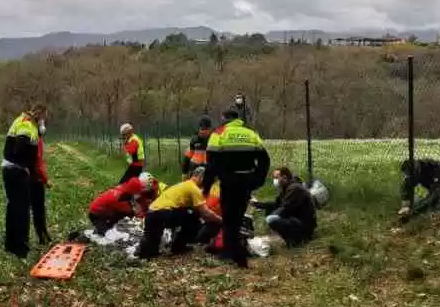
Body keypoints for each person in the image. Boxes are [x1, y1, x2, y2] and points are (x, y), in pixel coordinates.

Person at [204, 107, 270, 268]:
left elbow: (211, 163)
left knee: (228, 218)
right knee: (239, 217)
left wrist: (207, 186)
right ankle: (236, 253)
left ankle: (231, 253)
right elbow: (264, 160)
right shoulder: (251, 134)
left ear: (224, 118)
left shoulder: (219, 133)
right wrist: (257, 180)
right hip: (246, 181)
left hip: (228, 182)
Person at [136, 167, 222, 259]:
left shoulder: (181, 185)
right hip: (164, 213)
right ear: (201, 177)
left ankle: (143, 254)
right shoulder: (194, 189)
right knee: (193, 216)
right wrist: (220, 220)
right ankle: (179, 246)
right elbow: (205, 213)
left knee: (150, 242)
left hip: (151, 213)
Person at [2, 104, 46, 258]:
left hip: (9, 168)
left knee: (12, 207)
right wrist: (25, 166)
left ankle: (10, 244)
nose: (43, 122)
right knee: (21, 210)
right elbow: (20, 147)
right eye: (43, 117)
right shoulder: (27, 125)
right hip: (16, 170)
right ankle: (21, 247)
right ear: (39, 114)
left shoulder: (21, 119)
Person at [253, 167, 317, 246]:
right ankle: (293, 238)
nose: (275, 180)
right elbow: (276, 204)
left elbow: (286, 209)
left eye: (276, 177)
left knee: (272, 219)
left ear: (284, 177)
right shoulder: (286, 187)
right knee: (271, 212)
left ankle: (298, 240)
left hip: (304, 223)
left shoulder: (294, 188)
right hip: (297, 218)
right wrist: (257, 204)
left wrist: (271, 217)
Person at [87, 172, 161, 235]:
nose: (140, 192)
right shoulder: (121, 198)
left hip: (104, 209)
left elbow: (134, 204)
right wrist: (143, 217)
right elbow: (132, 211)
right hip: (96, 215)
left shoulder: (125, 188)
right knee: (107, 234)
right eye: (139, 190)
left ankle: (109, 223)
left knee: (120, 217)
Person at [31, 121, 52, 247]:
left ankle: (43, 234)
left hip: (28, 177)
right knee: (38, 208)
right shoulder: (36, 140)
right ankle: (42, 236)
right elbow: (38, 162)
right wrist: (46, 180)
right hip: (35, 179)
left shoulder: (31, 138)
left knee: (35, 208)